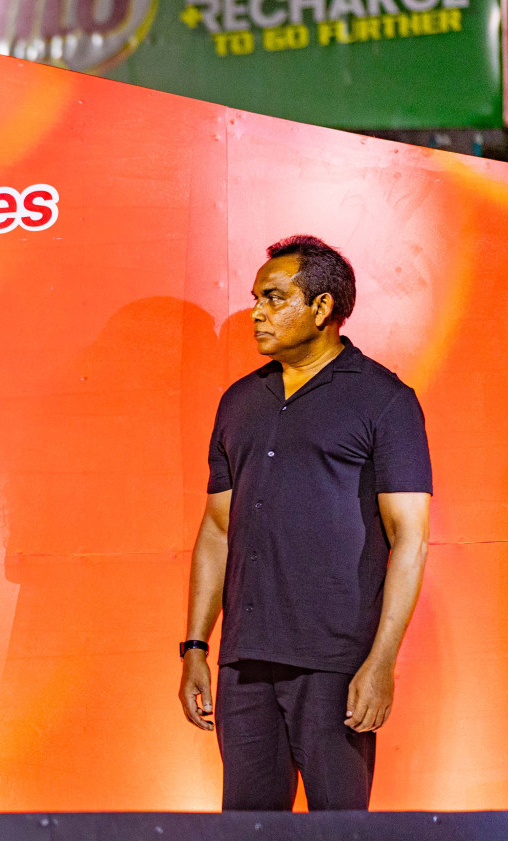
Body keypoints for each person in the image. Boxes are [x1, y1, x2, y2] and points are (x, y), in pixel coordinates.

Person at [178, 235, 432, 811]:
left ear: (322, 309)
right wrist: (196, 644)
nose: (257, 313)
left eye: (273, 298)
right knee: (247, 840)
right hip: (244, 661)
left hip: (335, 664)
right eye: (255, 298)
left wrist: (381, 662)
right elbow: (217, 529)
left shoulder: (384, 400)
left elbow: (410, 539)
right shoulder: (240, 400)